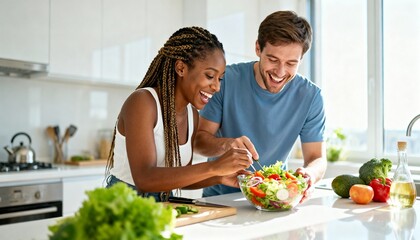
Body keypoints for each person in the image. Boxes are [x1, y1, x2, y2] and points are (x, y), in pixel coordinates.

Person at [105, 26, 253, 202]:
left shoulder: (192, 115)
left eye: (220, 78)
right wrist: (214, 167)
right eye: (209, 76)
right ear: (181, 68)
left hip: (164, 205)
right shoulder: (143, 102)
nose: (217, 87)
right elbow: (145, 178)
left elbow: (180, 177)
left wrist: (220, 176)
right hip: (123, 204)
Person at [194, 11, 327, 198]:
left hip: (275, 198)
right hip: (221, 197)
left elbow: (317, 158)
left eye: (291, 63)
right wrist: (227, 145)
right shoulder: (225, 81)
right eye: (273, 60)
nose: (280, 72)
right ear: (258, 48)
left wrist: (309, 175)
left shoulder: (311, 96)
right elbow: (198, 141)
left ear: (301, 59)